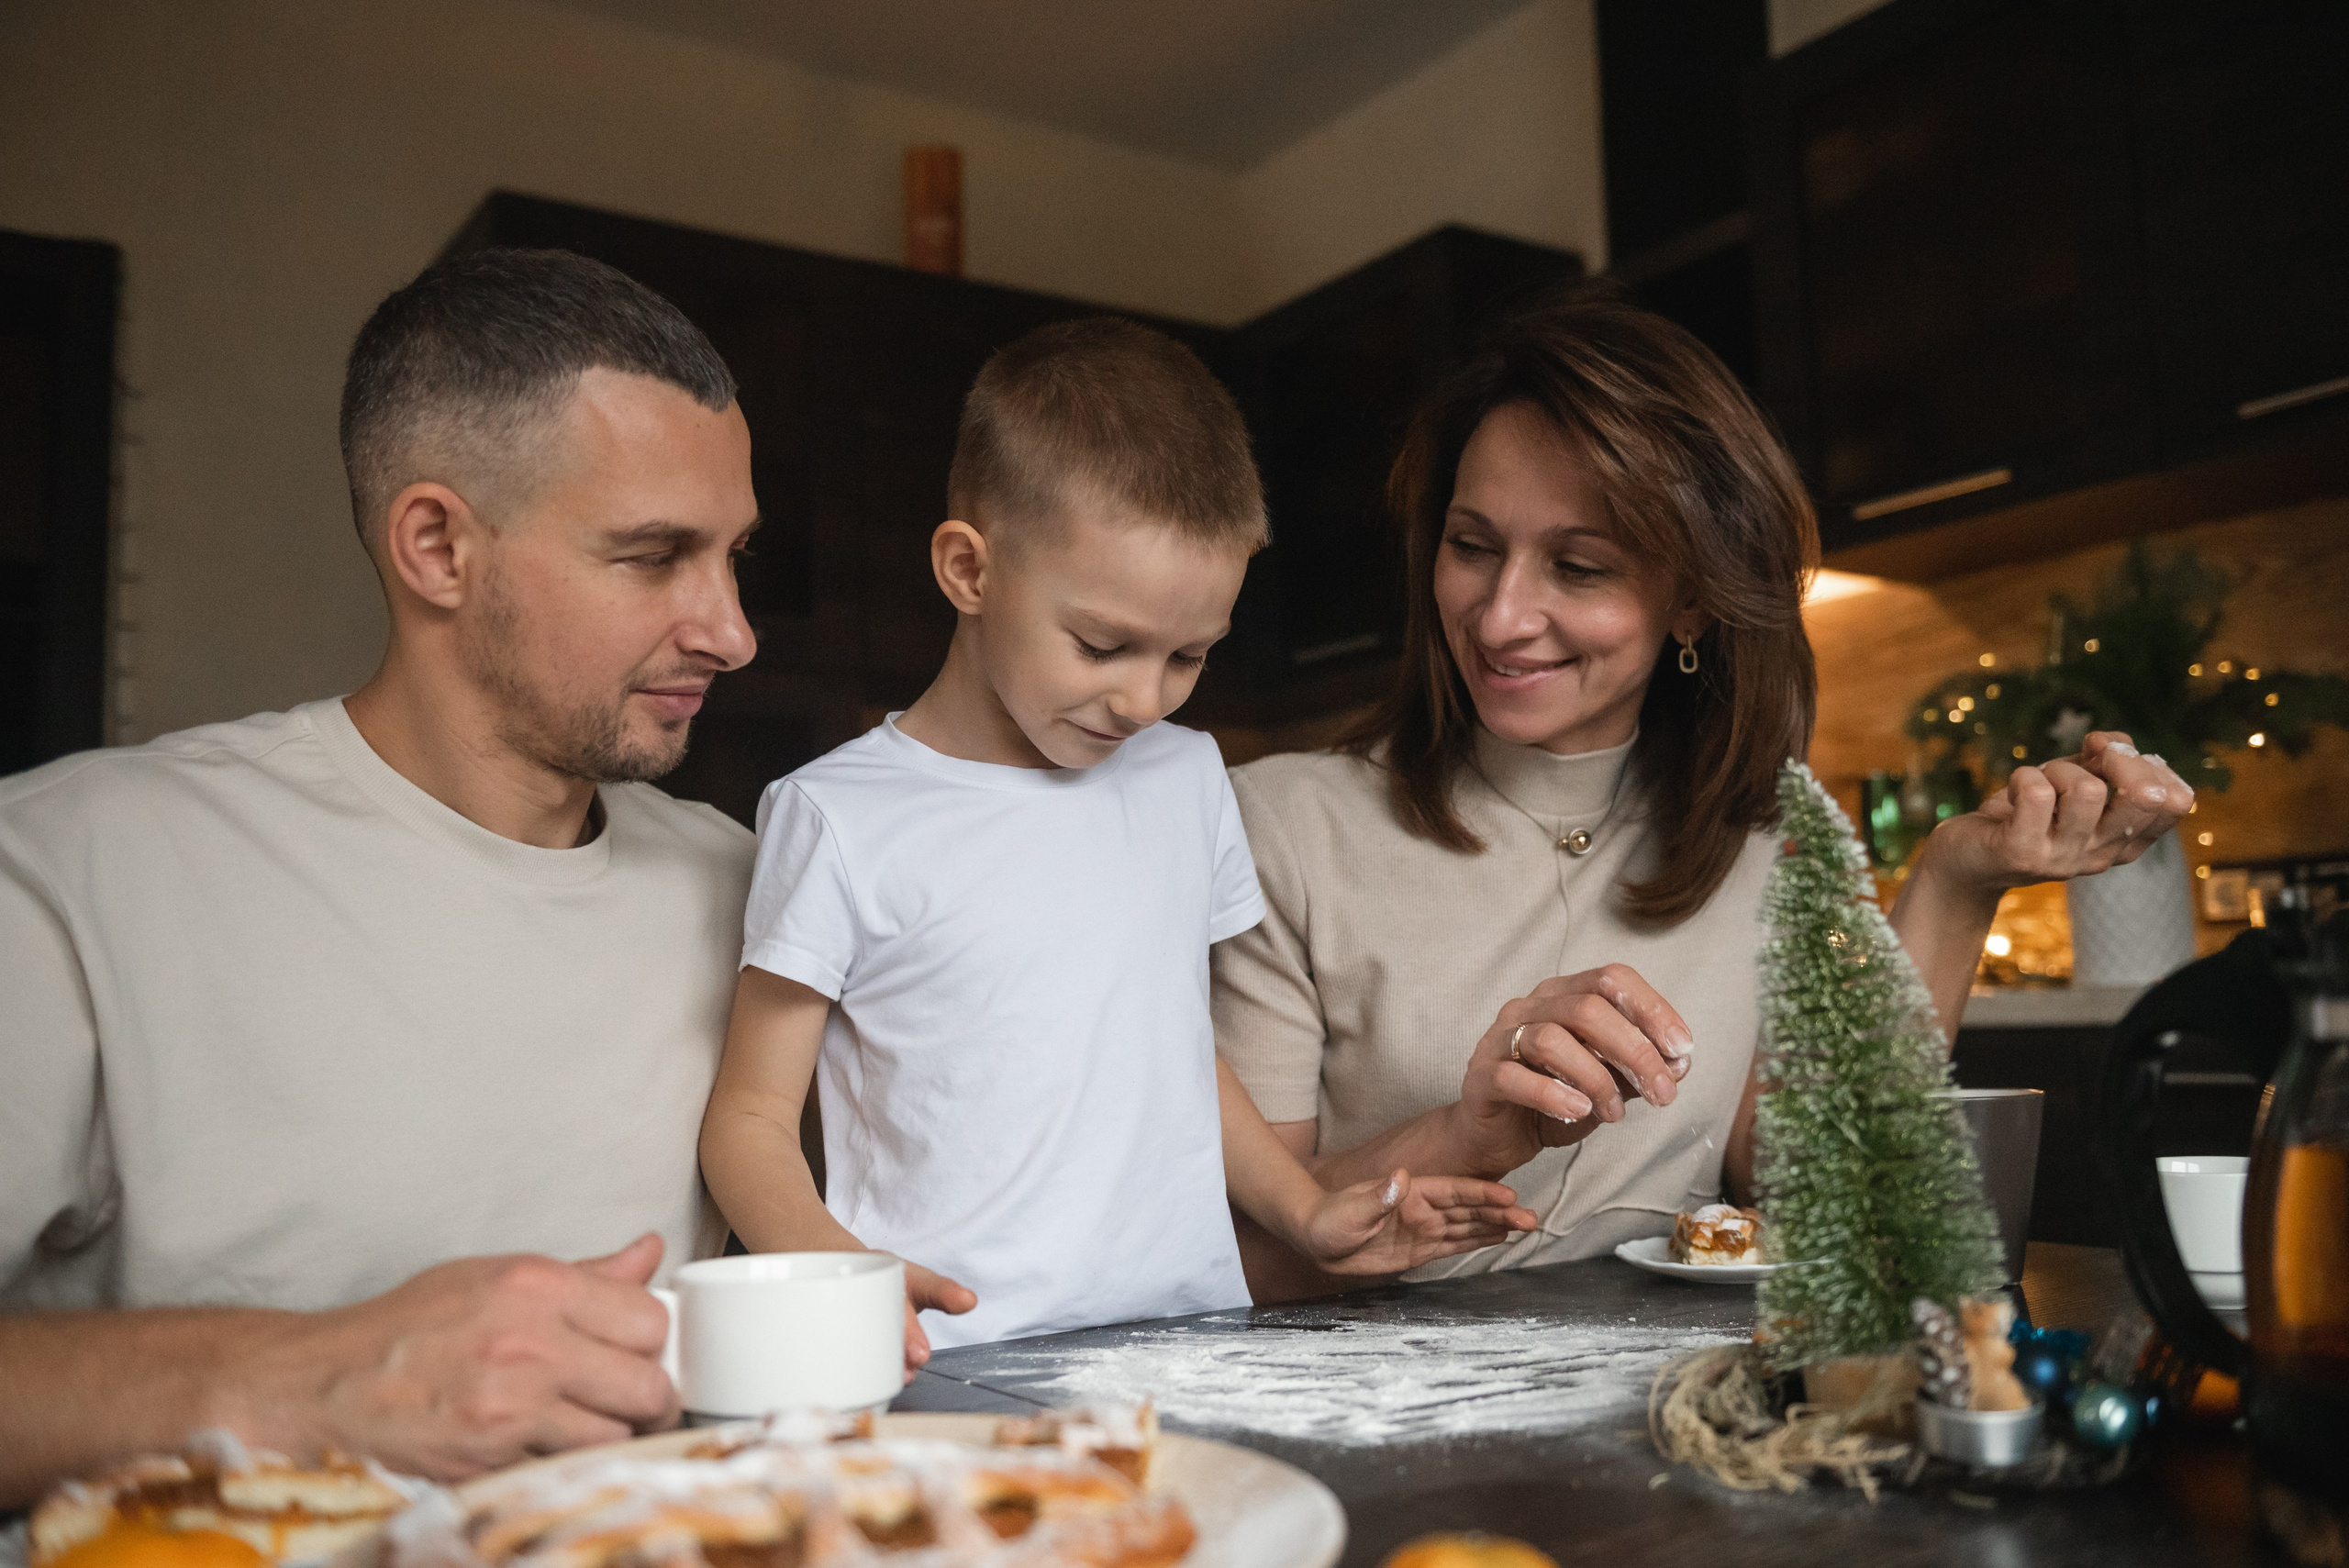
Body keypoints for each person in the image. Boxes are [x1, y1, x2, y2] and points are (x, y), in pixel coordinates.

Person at [1214, 294, 2194, 1299]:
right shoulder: (1277, 830)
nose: (1501, 615)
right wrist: (1462, 1137)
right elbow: (1234, 1257)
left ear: (1691, 596)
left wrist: (1953, 881)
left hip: (1680, 1416)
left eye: (1578, 564)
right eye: (1472, 546)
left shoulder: (1772, 853)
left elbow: (1822, 1202)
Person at [0, 248, 760, 1505]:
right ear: (437, 547)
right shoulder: (72, 872)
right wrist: (324, 1371)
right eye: (653, 555)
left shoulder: (747, 884)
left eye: (733, 556)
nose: (730, 629)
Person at [698, 318, 1534, 1358]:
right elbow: (746, 1121)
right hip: (954, 1355)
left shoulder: (1184, 777)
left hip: (1190, 1336)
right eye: (1103, 644)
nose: (1144, 697)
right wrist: (838, 1279)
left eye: (1189, 655)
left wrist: (1302, 1208)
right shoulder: (837, 816)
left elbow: (1174, 1050)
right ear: (968, 569)